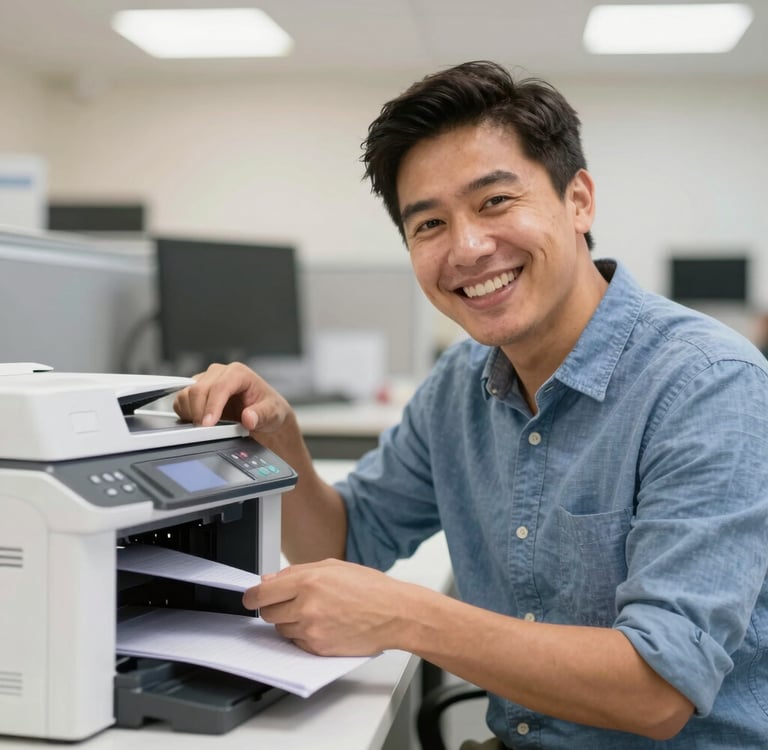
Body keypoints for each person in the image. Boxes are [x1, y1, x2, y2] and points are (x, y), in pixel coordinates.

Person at [173, 61, 768, 748]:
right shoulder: (462, 382)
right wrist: (282, 442)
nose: (467, 248)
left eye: (494, 202)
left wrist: (405, 617)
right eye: (428, 224)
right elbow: (342, 541)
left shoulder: (709, 385)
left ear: (579, 201)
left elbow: (657, 690)